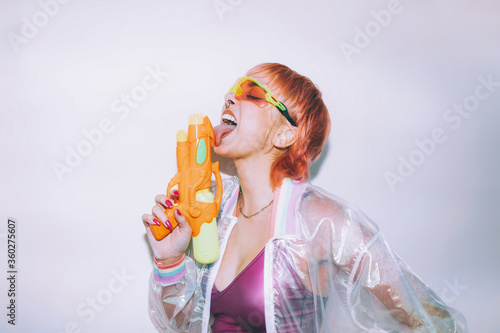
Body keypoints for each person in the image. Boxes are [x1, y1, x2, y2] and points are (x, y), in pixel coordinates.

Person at [142, 63, 468, 332]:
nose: (229, 97)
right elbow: (185, 325)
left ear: (286, 134)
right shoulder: (216, 211)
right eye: (231, 91)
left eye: (251, 92)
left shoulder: (320, 221)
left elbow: (430, 320)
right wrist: (168, 260)